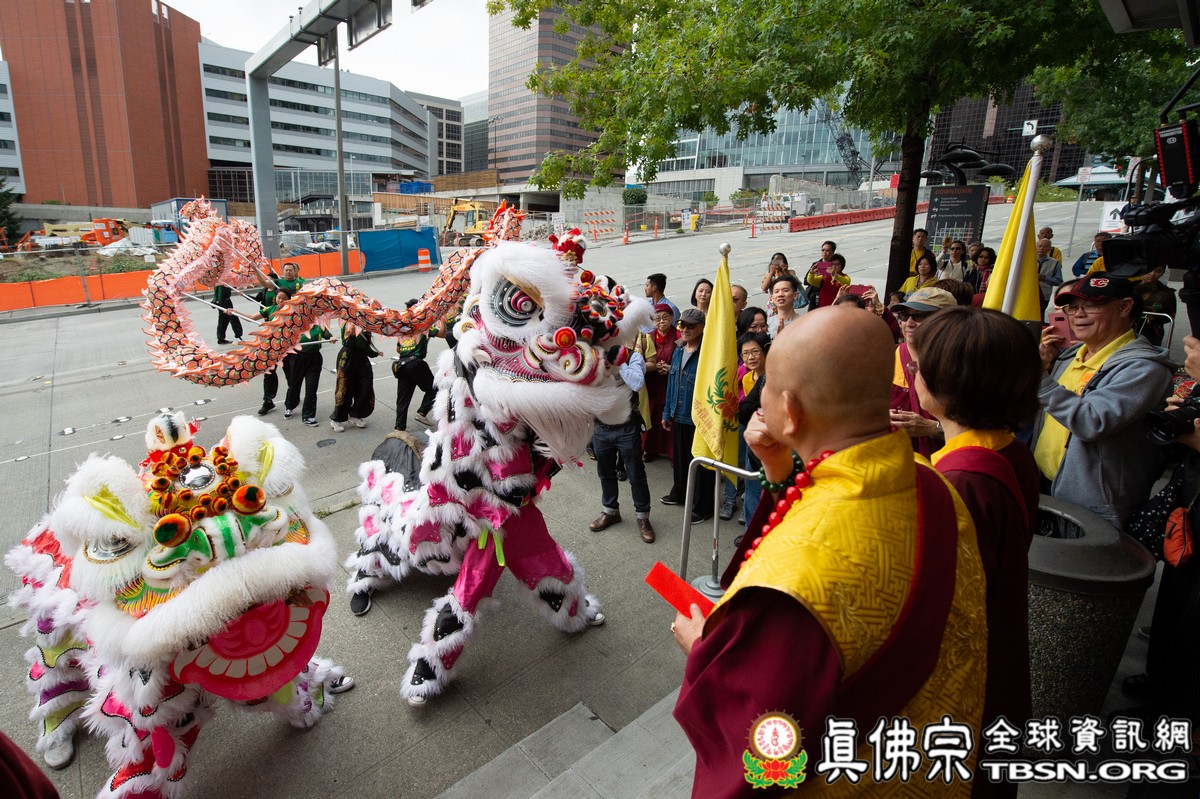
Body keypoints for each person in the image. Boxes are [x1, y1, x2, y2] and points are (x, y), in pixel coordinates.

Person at [672, 306, 987, 798]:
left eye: (767, 386)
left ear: (790, 410)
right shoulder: (933, 483)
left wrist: (703, 653)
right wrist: (779, 469)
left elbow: (766, 750)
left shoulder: (795, 584)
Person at [911, 307, 1043, 799]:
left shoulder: (962, 481)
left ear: (947, 384)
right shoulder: (1005, 449)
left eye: (920, 365)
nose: (913, 372)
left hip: (961, 684)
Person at [1035, 274, 1174, 527]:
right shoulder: (1068, 356)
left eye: (1091, 305)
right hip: (1046, 488)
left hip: (1093, 509)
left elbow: (1092, 421)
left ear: (1124, 307)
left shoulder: (1144, 370)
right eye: (1072, 307)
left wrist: (1038, 378)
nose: (1078, 315)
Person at [1123, 334, 1200, 726]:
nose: (1189, 343)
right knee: (1174, 604)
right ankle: (1162, 689)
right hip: (1189, 510)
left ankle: (1182, 720)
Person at [590, 344, 657, 543]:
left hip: (627, 428)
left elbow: (637, 383)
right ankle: (610, 511)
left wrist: (618, 362)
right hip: (601, 427)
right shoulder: (593, 356)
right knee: (605, 472)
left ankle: (643, 517)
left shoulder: (633, 357)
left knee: (636, 474)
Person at [889, 287, 957, 458]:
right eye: (904, 316)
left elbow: (982, 433)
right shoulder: (885, 358)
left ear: (947, 321)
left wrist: (933, 428)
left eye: (920, 316)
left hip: (945, 464)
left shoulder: (962, 367)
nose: (909, 323)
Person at [661, 308, 714, 523]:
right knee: (680, 458)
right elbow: (672, 382)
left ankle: (702, 507)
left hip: (699, 417)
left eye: (691, 325)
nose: (685, 329)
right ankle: (680, 493)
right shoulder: (678, 349)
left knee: (701, 463)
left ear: (702, 327)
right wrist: (667, 412)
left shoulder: (708, 353)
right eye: (682, 324)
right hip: (678, 413)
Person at [735, 331, 769, 527]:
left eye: (755, 351)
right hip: (752, 436)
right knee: (752, 486)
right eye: (745, 353)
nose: (751, 357)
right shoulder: (748, 378)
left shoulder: (775, 376)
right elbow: (745, 411)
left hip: (771, 441)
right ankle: (750, 530)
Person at [393, 299, 442, 431]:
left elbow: (398, 349)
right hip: (416, 363)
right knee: (434, 389)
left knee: (403, 398)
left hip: (402, 364)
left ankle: (399, 427)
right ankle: (422, 412)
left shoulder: (402, 328)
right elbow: (443, 334)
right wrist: (442, 318)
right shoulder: (423, 325)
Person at [642, 303, 678, 462]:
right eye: (657, 319)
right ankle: (651, 449)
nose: (661, 322)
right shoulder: (647, 337)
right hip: (653, 381)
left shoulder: (679, 337)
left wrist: (671, 368)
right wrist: (654, 367)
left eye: (665, 318)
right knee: (652, 415)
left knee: (670, 416)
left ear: (672, 318)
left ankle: (672, 452)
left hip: (672, 383)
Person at [330, 327, 380, 433]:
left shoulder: (366, 324)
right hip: (348, 357)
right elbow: (347, 342)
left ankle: (355, 414)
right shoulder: (349, 323)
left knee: (366, 386)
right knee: (344, 388)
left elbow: (365, 345)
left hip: (361, 359)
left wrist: (375, 353)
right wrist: (352, 334)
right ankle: (336, 419)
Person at [250, 285, 290, 416]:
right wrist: (232, 311)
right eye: (279, 298)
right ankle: (268, 401)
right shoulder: (270, 309)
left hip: (288, 348)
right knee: (269, 373)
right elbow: (252, 317)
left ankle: (292, 397)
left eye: (284, 298)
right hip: (271, 348)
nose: (280, 300)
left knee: (291, 374)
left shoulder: (293, 312)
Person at [284, 318, 329, 426]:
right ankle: (290, 406)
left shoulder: (319, 325)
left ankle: (308, 416)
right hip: (298, 358)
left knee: (311, 388)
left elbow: (327, 335)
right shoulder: (296, 324)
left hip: (315, 359)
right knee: (294, 384)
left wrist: (331, 337)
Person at [1137, 265, 1177, 347]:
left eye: (1158, 271)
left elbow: (1169, 317)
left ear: (1163, 273)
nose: (1152, 274)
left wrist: (1157, 312)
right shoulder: (1127, 287)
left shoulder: (1166, 294)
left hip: (1149, 333)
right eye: (1149, 269)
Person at [765, 273, 800, 339]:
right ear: (772, 298)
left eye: (785, 290)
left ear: (795, 295)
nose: (780, 294)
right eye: (776, 291)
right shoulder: (766, 324)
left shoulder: (804, 323)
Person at [1036, 237, 1064, 314]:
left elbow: (1059, 281)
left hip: (1044, 295)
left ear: (1049, 248)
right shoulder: (1028, 260)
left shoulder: (1054, 263)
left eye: (1045, 246)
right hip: (1028, 294)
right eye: (1040, 246)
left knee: (1040, 314)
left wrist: (1044, 278)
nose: (1041, 248)